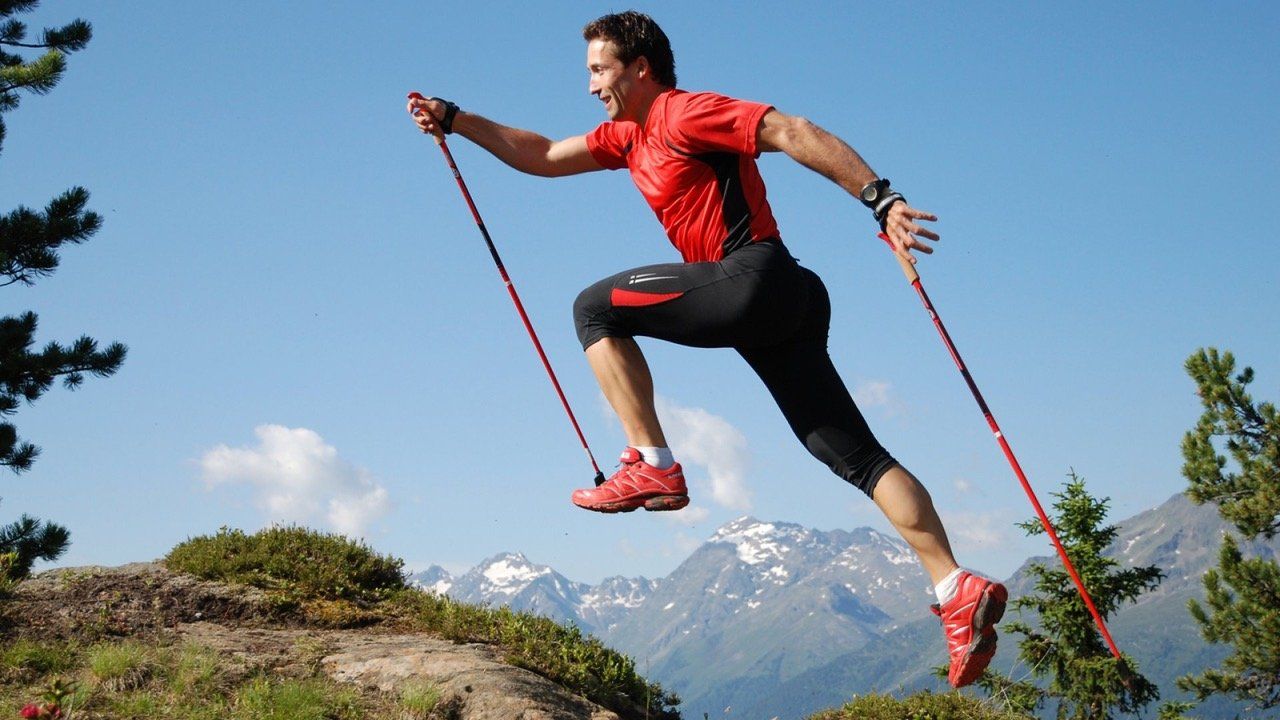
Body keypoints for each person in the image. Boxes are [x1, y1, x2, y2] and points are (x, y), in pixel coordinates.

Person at [408, 10, 1006, 688]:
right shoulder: (626, 138)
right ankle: (955, 586)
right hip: (782, 299)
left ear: (640, 67)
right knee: (852, 454)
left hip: (753, 277)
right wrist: (455, 119)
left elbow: (791, 130)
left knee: (593, 308)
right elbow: (541, 155)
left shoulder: (685, 112)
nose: (591, 86)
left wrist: (879, 198)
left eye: (599, 71)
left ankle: (653, 463)